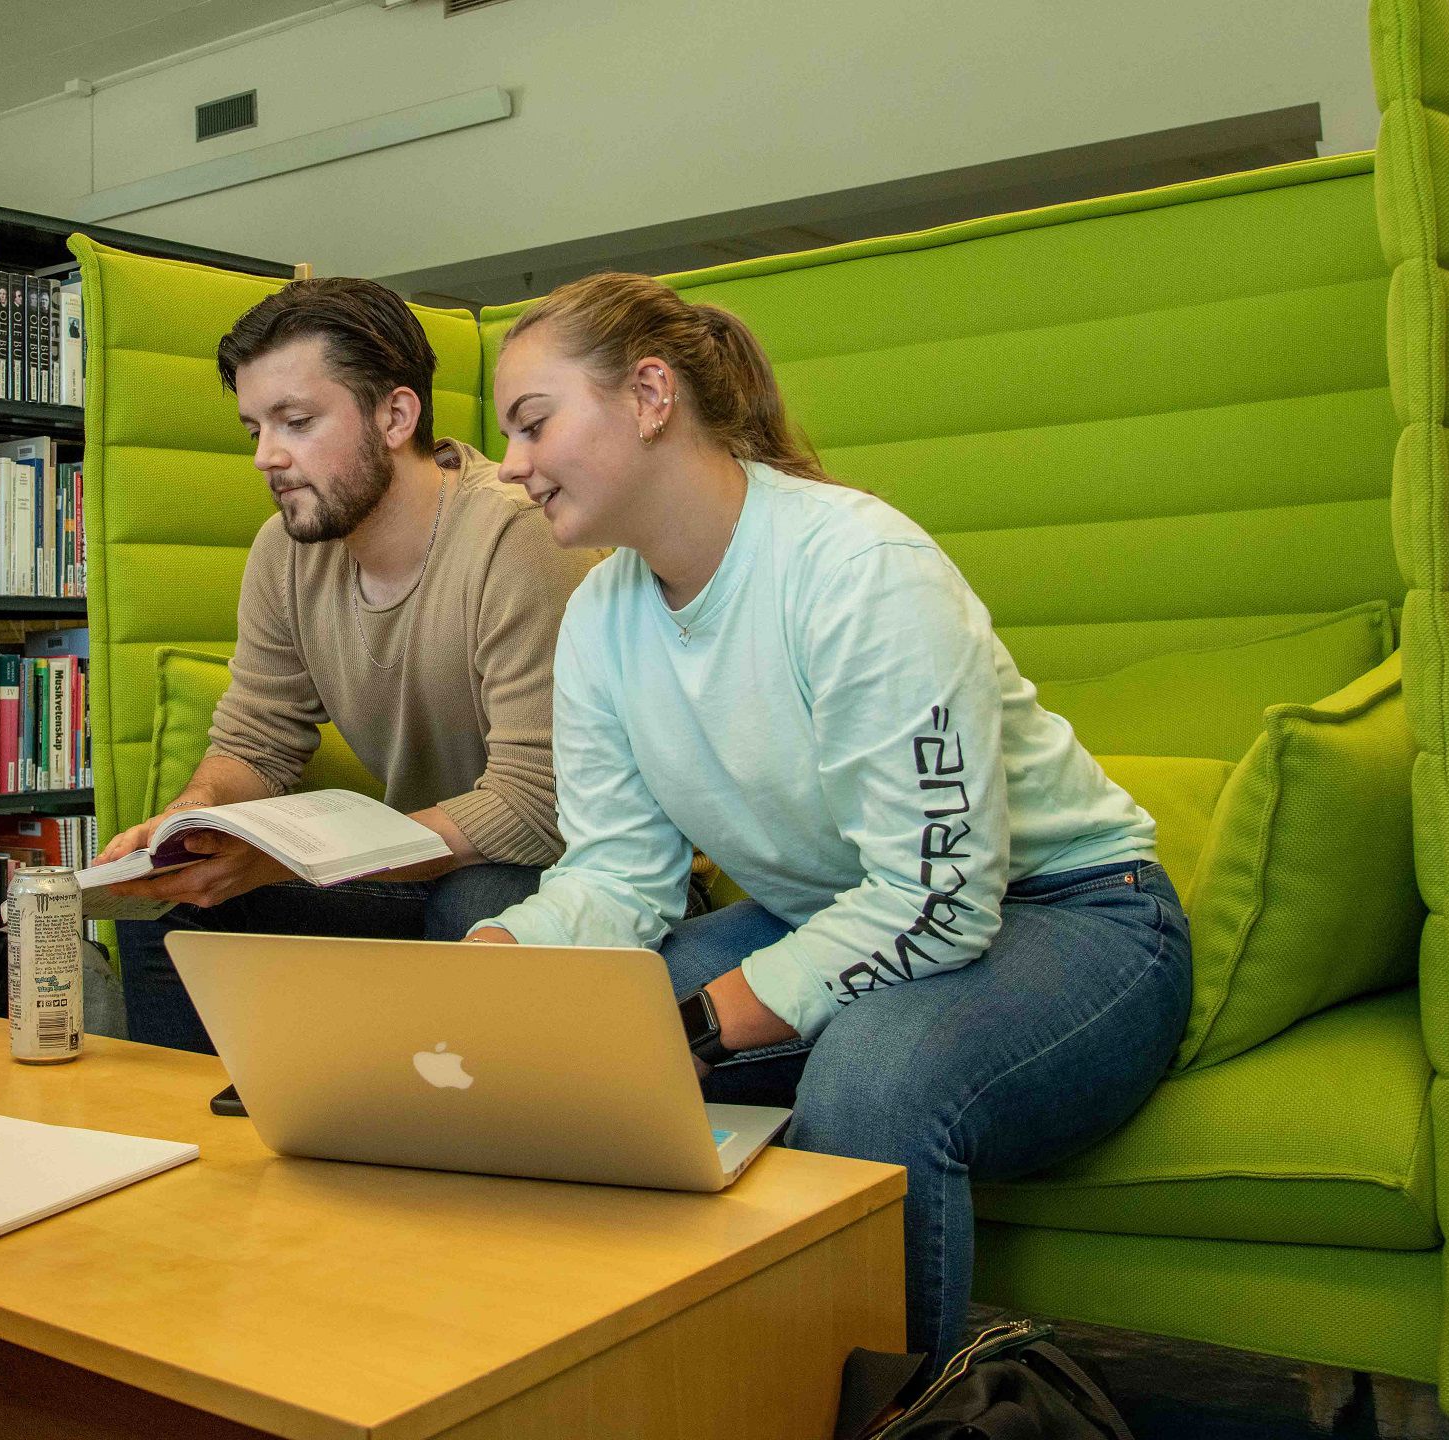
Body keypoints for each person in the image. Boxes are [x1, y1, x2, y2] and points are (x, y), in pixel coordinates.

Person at [468, 272, 1191, 1371]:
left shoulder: (859, 568)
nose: (510, 468)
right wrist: (503, 953)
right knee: (551, 1051)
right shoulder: (599, 620)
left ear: (650, 394)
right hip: (846, 911)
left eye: (532, 423)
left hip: (1074, 917)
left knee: (871, 1074)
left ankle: (879, 1406)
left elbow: (938, 904)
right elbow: (620, 874)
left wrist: (699, 1023)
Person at [98, 278, 596, 1054]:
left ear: (395, 415)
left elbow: (536, 809)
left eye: (296, 422)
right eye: (255, 427)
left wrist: (283, 865)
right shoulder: (284, 552)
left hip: (567, 877)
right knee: (178, 910)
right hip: (417, 866)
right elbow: (257, 741)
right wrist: (193, 826)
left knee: (481, 899)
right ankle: (212, 1157)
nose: (267, 456)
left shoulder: (518, 539)